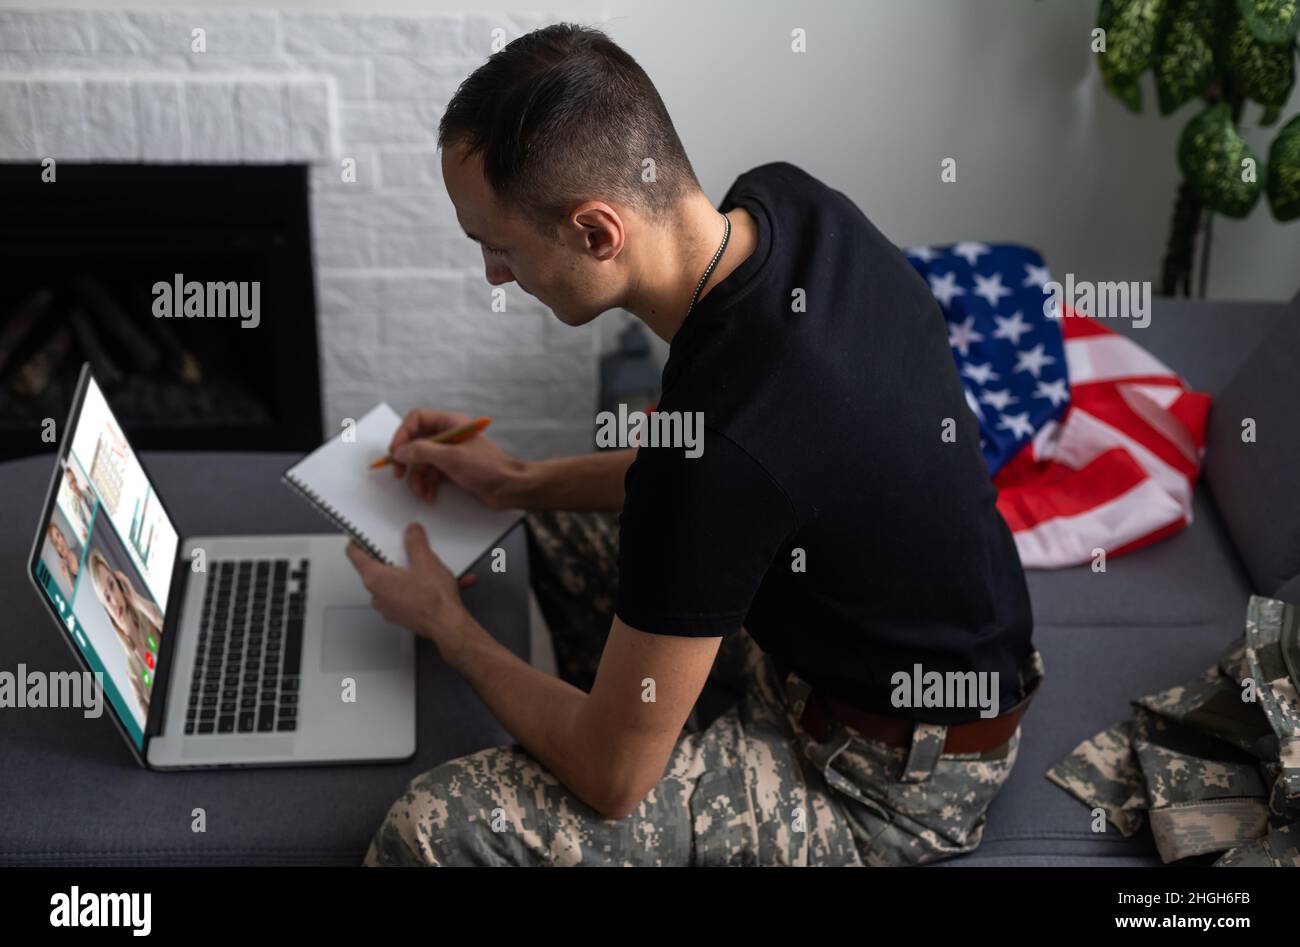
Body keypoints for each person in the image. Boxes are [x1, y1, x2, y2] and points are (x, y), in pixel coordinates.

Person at [348, 23, 1040, 867]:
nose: (496, 273)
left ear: (597, 233)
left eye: (498, 246)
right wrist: (513, 481)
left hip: (893, 778)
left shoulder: (718, 455)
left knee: (430, 825)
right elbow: (746, 469)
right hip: (878, 646)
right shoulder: (789, 206)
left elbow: (613, 777)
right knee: (537, 534)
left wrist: (446, 628)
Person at [87, 549, 162, 717]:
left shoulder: (149, 618)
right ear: (107, 610)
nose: (114, 600)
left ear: (119, 582)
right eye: (107, 598)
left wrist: (136, 600)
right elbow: (149, 723)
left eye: (112, 585)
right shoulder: (132, 672)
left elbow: (173, 628)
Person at [47, 522, 81, 589]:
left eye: (58, 535)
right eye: (56, 543)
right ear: (57, 550)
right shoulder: (67, 572)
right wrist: (67, 578)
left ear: (63, 536)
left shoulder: (79, 548)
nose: (59, 543)